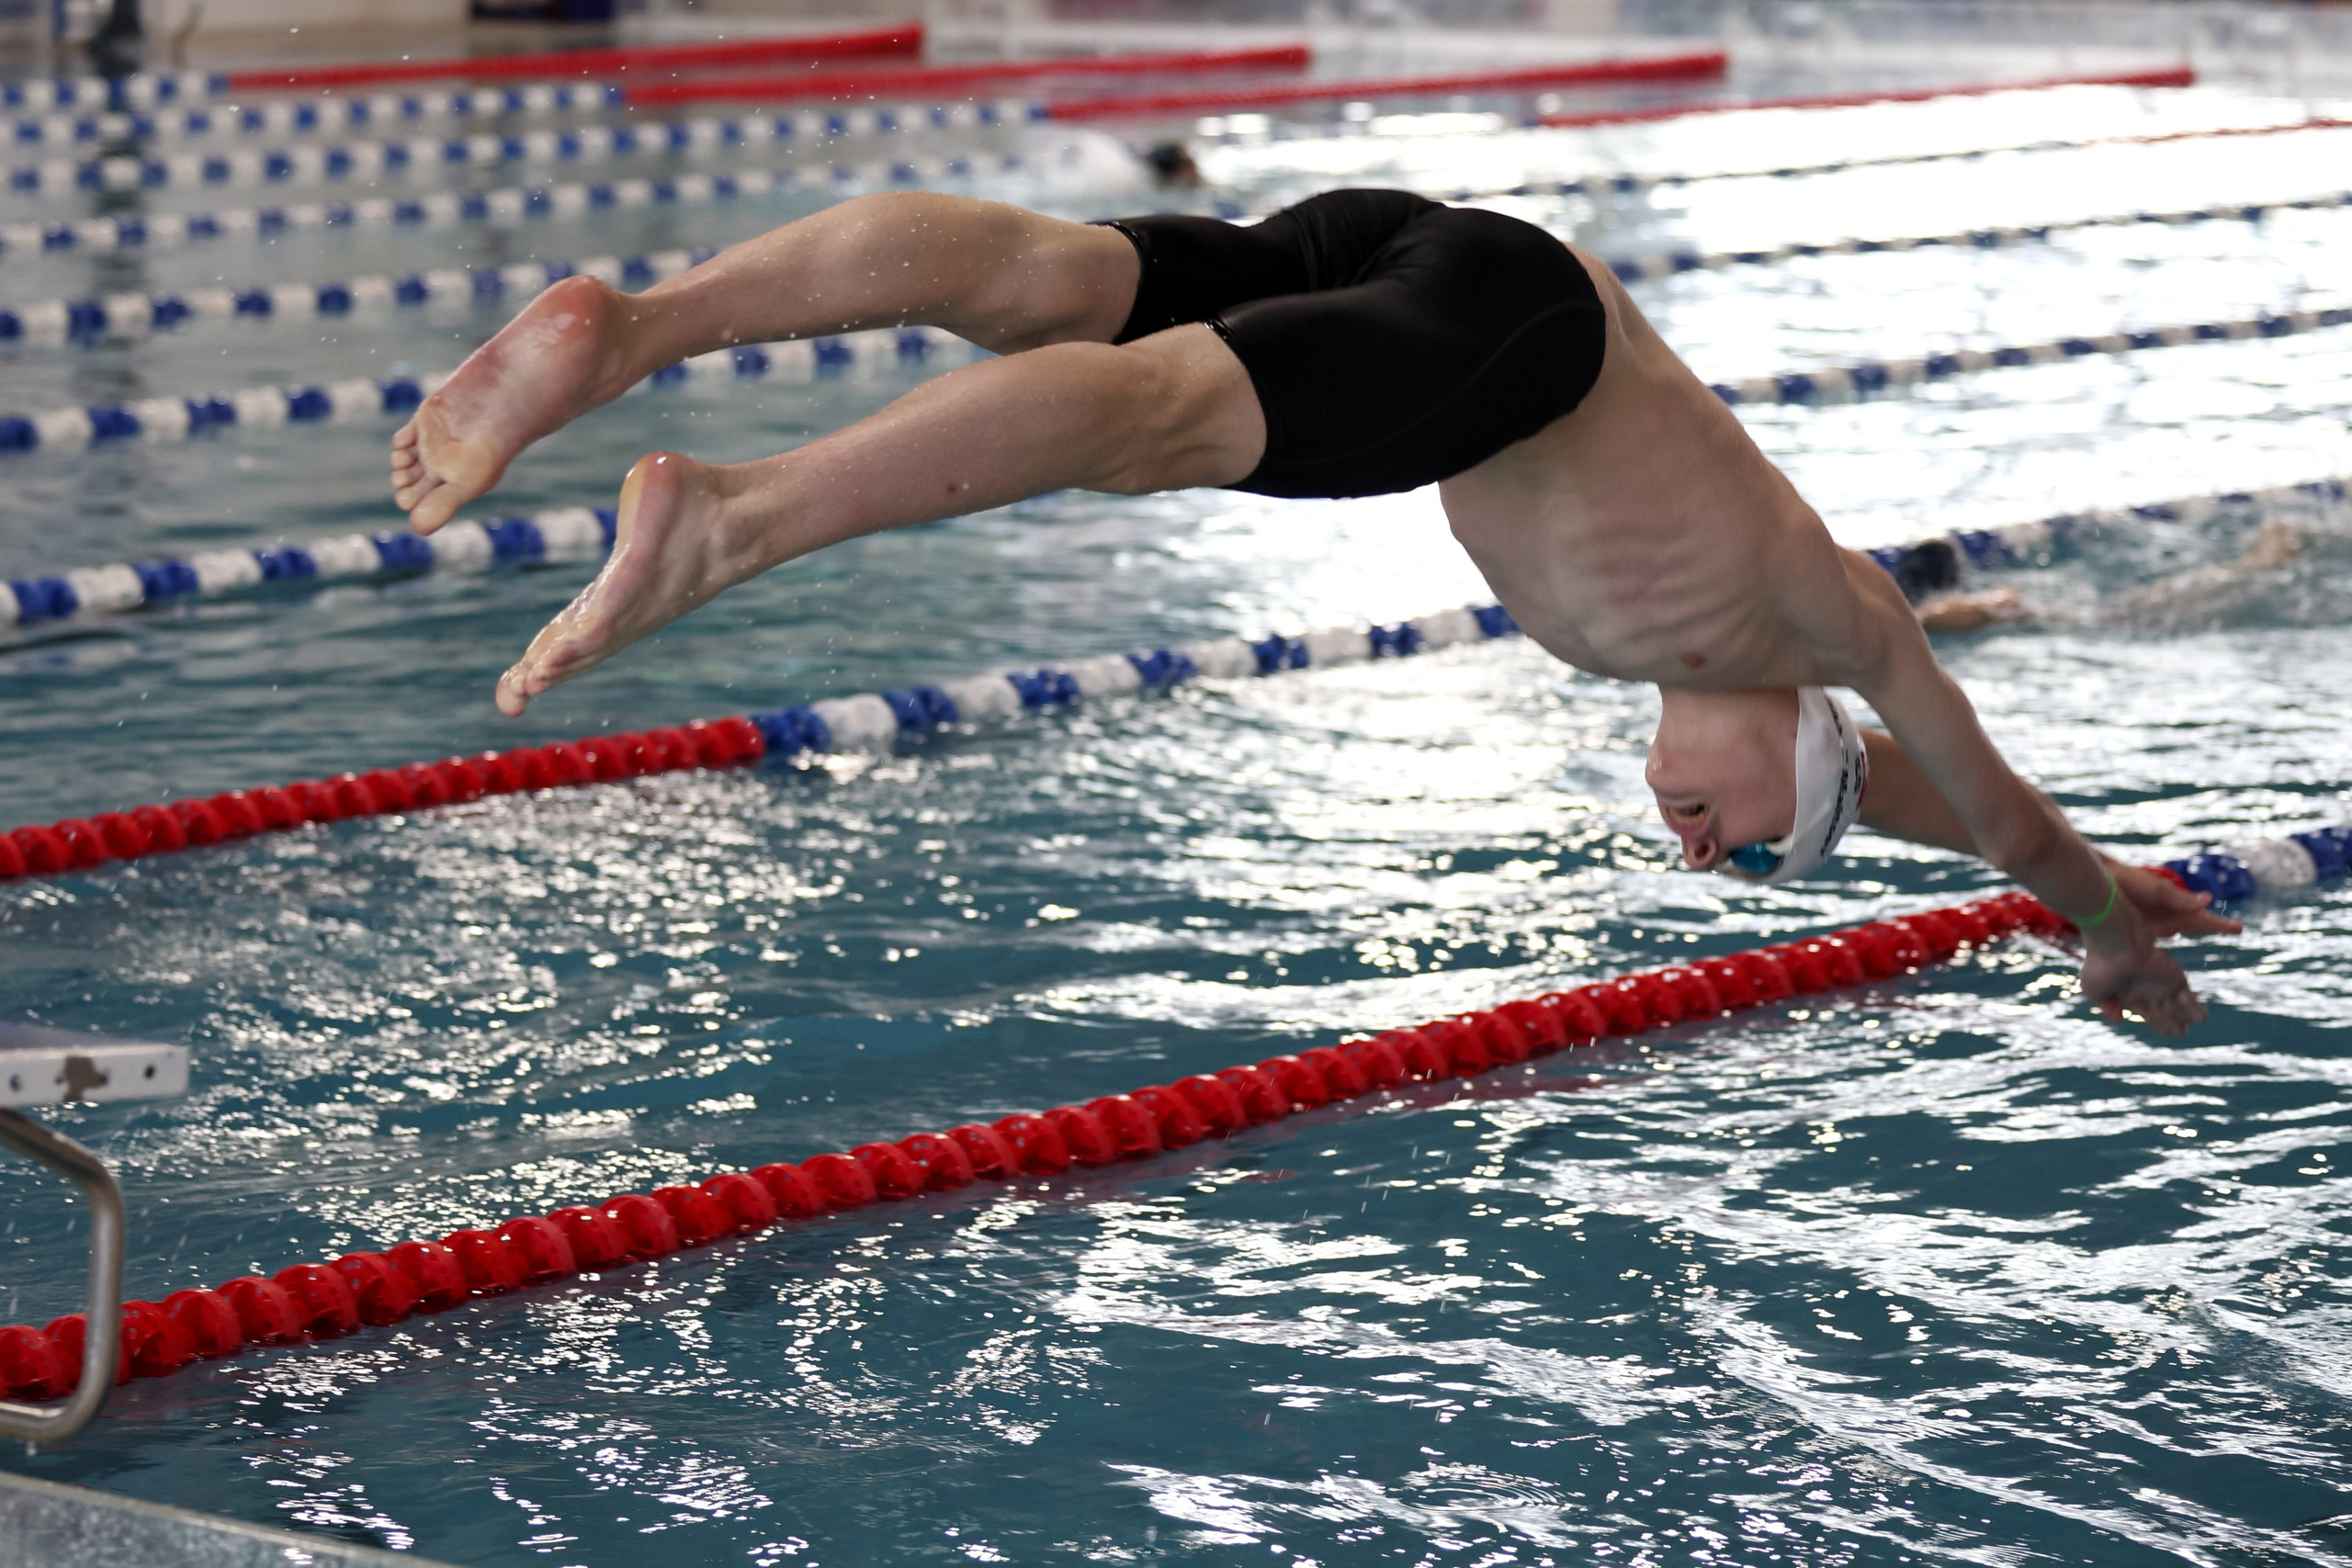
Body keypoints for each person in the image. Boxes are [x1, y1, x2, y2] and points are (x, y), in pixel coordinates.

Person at [388, 188, 2233, 1034]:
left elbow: (1862, 797)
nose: (1698, 860)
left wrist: (1989, 859)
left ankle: (642, 326)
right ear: (1815, 761)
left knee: (1057, 285)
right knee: (1156, 418)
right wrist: (2100, 927)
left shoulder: (1681, 654)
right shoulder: (1820, 632)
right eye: (1748, 855)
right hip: (1515, 342)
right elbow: (1968, 798)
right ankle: (738, 520)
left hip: (1427, 257)